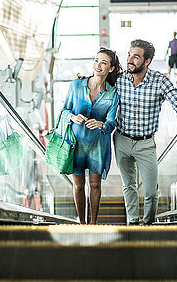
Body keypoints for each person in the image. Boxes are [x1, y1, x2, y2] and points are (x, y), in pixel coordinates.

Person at [115, 39, 177, 225]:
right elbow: (97, 83)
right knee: (129, 186)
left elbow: (175, 97)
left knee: (150, 191)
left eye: (136, 57)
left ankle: (148, 224)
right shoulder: (119, 79)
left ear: (147, 61)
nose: (130, 60)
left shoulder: (159, 81)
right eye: (129, 54)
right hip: (121, 141)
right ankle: (132, 223)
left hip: (145, 144)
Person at [61, 47, 121, 224]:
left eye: (103, 62)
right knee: (79, 186)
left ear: (110, 68)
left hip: (97, 145)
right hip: (76, 143)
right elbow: (64, 111)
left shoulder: (112, 93)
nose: (98, 65)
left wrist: (101, 124)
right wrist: (73, 116)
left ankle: (93, 223)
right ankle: (82, 223)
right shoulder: (76, 85)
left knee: (95, 185)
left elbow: (112, 123)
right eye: (96, 60)